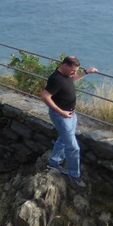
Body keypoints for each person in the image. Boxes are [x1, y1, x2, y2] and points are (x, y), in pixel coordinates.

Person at [41, 56, 98, 187]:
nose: (74, 73)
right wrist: (61, 112)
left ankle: (54, 163)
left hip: (71, 114)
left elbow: (72, 80)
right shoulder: (55, 79)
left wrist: (86, 72)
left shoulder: (66, 76)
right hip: (61, 116)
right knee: (73, 147)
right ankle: (74, 175)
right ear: (65, 66)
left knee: (64, 138)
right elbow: (45, 96)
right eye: (73, 70)